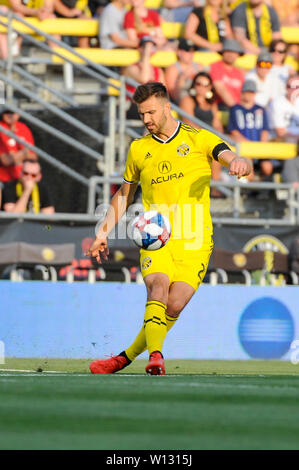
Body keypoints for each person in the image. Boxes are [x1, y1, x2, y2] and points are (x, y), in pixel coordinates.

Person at [86, 81, 252, 375]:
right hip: (155, 239)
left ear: (167, 107)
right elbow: (124, 194)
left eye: (150, 112)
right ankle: (156, 358)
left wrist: (239, 160)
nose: (146, 120)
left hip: (195, 241)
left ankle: (124, 358)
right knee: (157, 289)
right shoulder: (138, 149)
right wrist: (103, 232)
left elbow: (229, 155)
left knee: (173, 306)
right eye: (141, 114)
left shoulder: (198, 139)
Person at [228, 79, 272, 180]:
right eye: (247, 92)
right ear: (242, 93)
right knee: (248, 170)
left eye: (251, 92)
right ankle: (252, 192)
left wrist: (260, 146)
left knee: (267, 167)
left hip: (259, 146)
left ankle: (263, 189)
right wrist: (249, 145)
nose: (249, 95)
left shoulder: (260, 109)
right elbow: (233, 131)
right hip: (244, 147)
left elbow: (265, 130)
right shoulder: (235, 109)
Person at [122, 35, 165, 119]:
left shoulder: (158, 70)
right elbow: (144, 79)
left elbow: (163, 93)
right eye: (145, 47)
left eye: (152, 47)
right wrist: (146, 55)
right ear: (139, 48)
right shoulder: (132, 68)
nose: (149, 49)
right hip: (134, 106)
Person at [0, 109, 37, 184]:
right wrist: (24, 153)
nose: (10, 115)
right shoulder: (1, 128)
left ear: (18, 114)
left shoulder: (23, 127)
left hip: (25, 177)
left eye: (12, 112)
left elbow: (34, 156)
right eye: (6, 113)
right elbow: (5, 161)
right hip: (5, 180)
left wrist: (14, 155)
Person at [209, 38, 245, 111]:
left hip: (238, 106)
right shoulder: (216, 67)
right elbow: (220, 89)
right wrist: (236, 108)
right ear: (223, 52)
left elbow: (243, 93)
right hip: (222, 105)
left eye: (234, 52)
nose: (231, 55)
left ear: (238, 54)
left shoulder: (239, 72)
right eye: (228, 51)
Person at [164, 38, 202, 105]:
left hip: (199, 100)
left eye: (193, 51)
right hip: (182, 102)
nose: (191, 54)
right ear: (179, 52)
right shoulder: (173, 69)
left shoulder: (199, 66)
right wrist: (182, 78)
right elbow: (173, 94)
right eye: (187, 51)